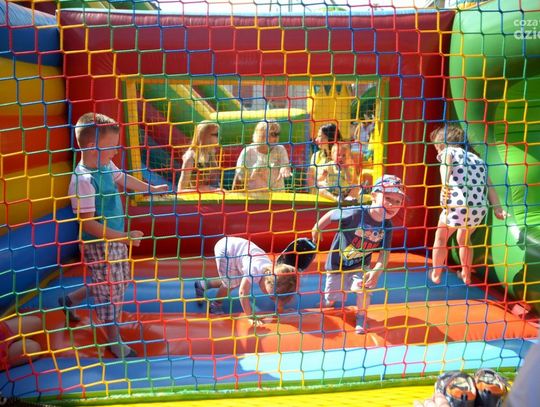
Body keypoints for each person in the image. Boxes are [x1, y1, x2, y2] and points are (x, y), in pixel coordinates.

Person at [60, 112, 168, 358]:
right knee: (109, 290)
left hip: (116, 237)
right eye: (112, 146)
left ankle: (70, 299)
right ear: (92, 146)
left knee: (118, 280)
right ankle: (113, 339)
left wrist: (151, 189)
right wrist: (124, 237)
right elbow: (88, 225)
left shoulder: (105, 165)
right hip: (100, 244)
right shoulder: (83, 180)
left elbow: (122, 178)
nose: (116, 151)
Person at [311, 174, 405, 334]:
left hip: (360, 266)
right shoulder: (356, 213)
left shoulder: (387, 226)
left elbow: (384, 253)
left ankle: (361, 316)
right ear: (373, 196)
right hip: (337, 263)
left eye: (398, 201)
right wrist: (317, 228)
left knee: (363, 289)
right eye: (388, 198)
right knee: (332, 295)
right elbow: (333, 213)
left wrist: (377, 270)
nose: (392, 204)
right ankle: (329, 301)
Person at [429, 125, 508, 285]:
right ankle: (466, 274)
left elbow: (446, 164)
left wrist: (445, 183)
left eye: (437, 147)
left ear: (442, 144)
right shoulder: (478, 160)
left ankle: (436, 273)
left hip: (458, 204)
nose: (438, 151)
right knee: (464, 239)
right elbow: (490, 187)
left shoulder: (449, 151)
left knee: (441, 237)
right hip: (478, 208)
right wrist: (498, 208)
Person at [194, 236, 298, 326]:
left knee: (232, 280)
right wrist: (250, 316)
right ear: (267, 279)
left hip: (237, 249)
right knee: (230, 284)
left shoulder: (272, 273)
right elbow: (242, 292)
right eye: (270, 295)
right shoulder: (254, 270)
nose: (268, 296)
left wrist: (281, 310)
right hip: (227, 251)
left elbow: (278, 296)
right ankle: (215, 304)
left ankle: (202, 285)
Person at [232, 121, 292, 191]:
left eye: (278, 134)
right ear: (262, 134)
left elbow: (285, 165)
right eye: (273, 134)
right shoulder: (248, 152)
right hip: (255, 194)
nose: (277, 137)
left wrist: (284, 168)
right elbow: (239, 178)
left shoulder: (280, 149)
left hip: (276, 194)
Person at [177, 121, 222, 192]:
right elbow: (180, 190)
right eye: (217, 135)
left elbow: (214, 183)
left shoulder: (210, 154)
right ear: (205, 136)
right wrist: (206, 189)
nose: (220, 138)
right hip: (193, 197)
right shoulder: (191, 158)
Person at [307, 123, 342, 193]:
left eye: (319, 136)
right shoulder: (316, 156)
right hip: (319, 194)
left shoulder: (342, 156)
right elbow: (310, 179)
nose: (316, 139)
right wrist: (319, 184)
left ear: (329, 138)